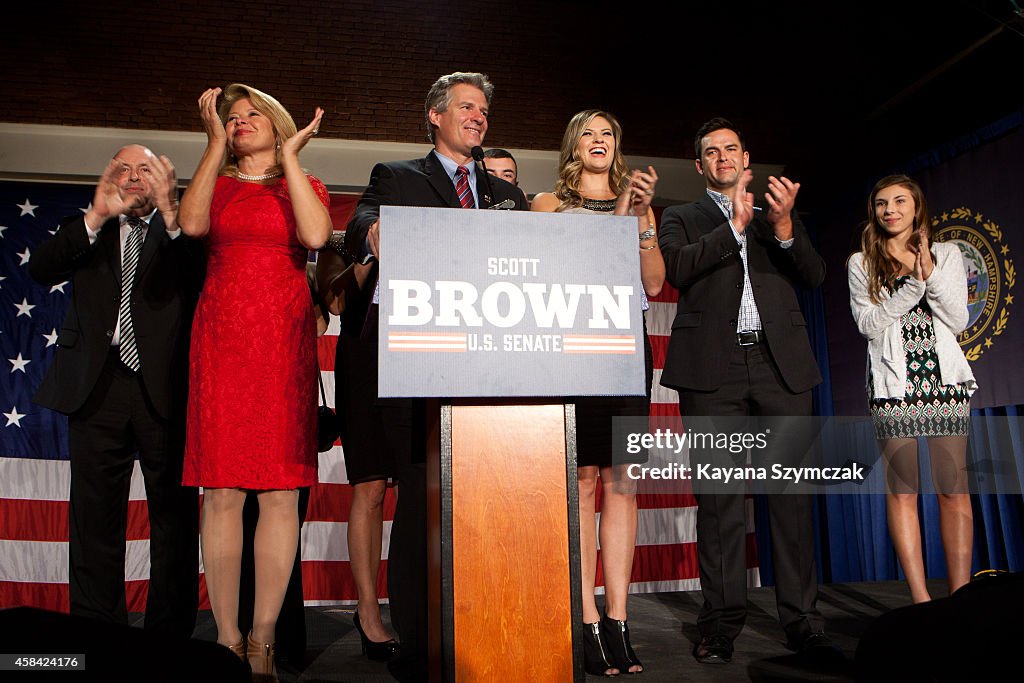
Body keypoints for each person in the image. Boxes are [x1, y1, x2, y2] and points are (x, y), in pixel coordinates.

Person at [346, 71, 527, 681]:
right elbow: (358, 229)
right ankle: (420, 641)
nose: (478, 117)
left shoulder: (502, 193)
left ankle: (484, 624)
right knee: (422, 497)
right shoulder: (397, 176)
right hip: (418, 359)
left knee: (481, 499)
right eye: (467, 107)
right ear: (435, 116)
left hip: (488, 367)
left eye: (483, 110)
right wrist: (372, 234)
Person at [658, 117, 834, 664]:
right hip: (715, 370)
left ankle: (802, 621)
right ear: (700, 165)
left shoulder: (773, 215)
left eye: (730, 148)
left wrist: (781, 226)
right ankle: (720, 623)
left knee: (790, 500)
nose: (722, 157)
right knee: (720, 504)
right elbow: (677, 270)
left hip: (780, 366)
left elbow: (814, 274)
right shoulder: (682, 217)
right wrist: (732, 227)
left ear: (745, 156)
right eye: (711, 152)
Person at [177, 83, 331, 678]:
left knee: (279, 491)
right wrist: (213, 144)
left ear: (277, 122)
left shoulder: (306, 184)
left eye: (249, 116)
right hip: (221, 343)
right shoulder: (214, 184)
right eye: (232, 118)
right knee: (220, 492)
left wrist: (290, 159)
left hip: (281, 345)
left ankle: (263, 637)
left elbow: (316, 237)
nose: (240, 123)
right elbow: (191, 225)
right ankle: (226, 637)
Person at [29, 145, 200, 637]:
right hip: (96, 391)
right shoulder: (89, 229)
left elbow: (198, 277)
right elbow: (41, 268)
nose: (132, 176)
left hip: (163, 392)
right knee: (94, 521)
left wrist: (172, 214)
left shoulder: (180, 233)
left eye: (144, 169)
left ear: (164, 180)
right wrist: (96, 214)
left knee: (173, 522)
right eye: (122, 168)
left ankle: (168, 637)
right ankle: (97, 633)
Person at [531, 109, 661, 676]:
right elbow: (565, 267)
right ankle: (583, 618)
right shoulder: (547, 205)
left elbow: (653, 282)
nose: (599, 141)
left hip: (628, 352)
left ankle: (618, 618)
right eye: (588, 133)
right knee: (583, 483)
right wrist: (623, 215)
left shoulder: (640, 207)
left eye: (608, 133)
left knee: (623, 484)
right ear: (571, 147)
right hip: (575, 350)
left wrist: (641, 217)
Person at [847, 174, 975, 603]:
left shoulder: (946, 254)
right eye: (882, 203)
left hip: (944, 382)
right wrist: (912, 287)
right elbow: (868, 325)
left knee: (953, 489)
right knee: (903, 491)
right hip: (893, 386)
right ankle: (921, 600)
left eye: (900, 201)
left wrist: (930, 274)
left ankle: (961, 597)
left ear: (916, 207)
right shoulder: (861, 263)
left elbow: (958, 319)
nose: (890, 210)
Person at [316, 236, 399, 662]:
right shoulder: (341, 243)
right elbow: (334, 302)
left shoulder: (427, 233)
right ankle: (368, 610)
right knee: (370, 489)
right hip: (364, 368)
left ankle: (414, 604)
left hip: (418, 359)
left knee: (419, 489)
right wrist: (370, 253)